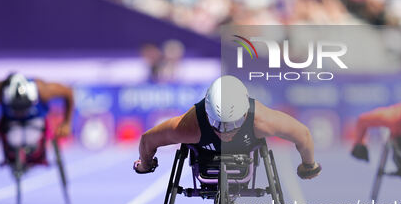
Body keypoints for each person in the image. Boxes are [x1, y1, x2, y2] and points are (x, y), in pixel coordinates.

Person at [133, 75, 321, 179]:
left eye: (233, 125)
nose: (224, 132)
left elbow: (303, 135)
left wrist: (309, 164)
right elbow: (147, 140)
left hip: (241, 152)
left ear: (246, 114)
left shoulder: (262, 120)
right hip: (204, 155)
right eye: (217, 124)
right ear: (207, 114)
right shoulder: (189, 125)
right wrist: (146, 164)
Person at [0, 73, 74, 158]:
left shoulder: (42, 90)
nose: (20, 112)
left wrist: (67, 123)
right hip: (11, 122)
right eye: (17, 108)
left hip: (35, 121)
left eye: (23, 108)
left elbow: (69, 92)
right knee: (13, 140)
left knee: (32, 140)